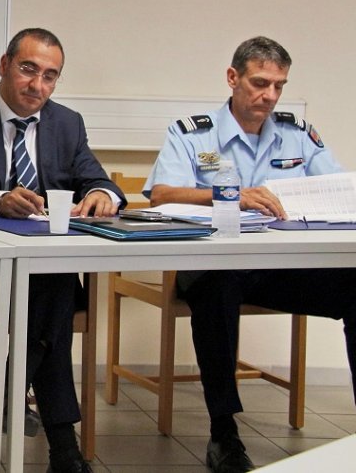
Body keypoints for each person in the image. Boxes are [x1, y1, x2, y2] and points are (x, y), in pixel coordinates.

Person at [144, 35, 356, 473]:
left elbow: (335, 187)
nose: (270, 95)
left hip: (280, 266)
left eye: (279, 86)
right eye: (261, 83)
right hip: (213, 262)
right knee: (218, 288)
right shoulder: (193, 133)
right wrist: (230, 196)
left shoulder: (298, 134)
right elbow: (161, 195)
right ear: (233, 78)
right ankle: (224, 432)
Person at [0, 27, 123, 473]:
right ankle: (60, 443)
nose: (38, 86)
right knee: (55, 292)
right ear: (4, 65)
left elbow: (96, 176)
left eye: (50, 76)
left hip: (39, 279)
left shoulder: (66, 123)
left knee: (50, 285)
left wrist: (105, 194)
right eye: (29, 70)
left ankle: (20, 396)